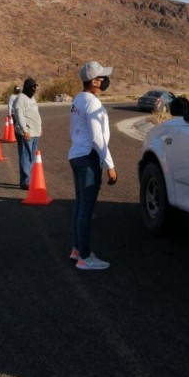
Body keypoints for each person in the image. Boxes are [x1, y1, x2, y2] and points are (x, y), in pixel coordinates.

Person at [68, 61, 118, 270]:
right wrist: (110, 165)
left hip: (76, 155)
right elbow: (98, 139)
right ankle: (85, 257)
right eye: (102, 77)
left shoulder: (78, 99)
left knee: (80, 205)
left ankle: (78, 249)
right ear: (95, 81)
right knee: (86, 209)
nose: (105, 81)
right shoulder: (93, 103)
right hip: (88, 157)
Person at [13, 78, 42, 190]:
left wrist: (40, 127)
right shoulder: (20, 99)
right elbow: (19, 116)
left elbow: (35, 113)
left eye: (35, 87)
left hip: (35, 132)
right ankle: (25, 181)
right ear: (27, 87)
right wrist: (25, 130)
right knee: (26, 156)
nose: (34, 89)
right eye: (32, 87)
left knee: (32, 157)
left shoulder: (32, 98)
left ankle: (30, 178)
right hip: (26, 133)